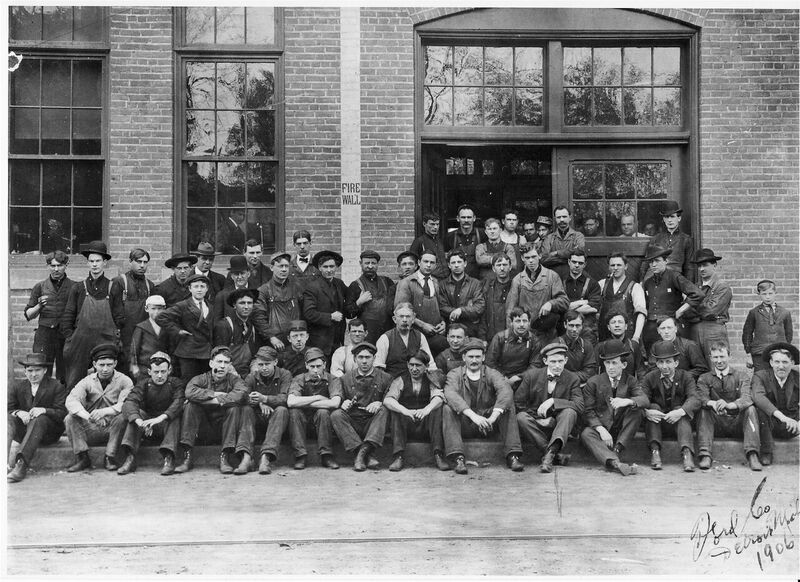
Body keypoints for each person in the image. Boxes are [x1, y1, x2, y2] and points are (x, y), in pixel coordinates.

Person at [442, 338, 525, 474]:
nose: (474, 361)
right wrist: (474, 416)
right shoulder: (455, 374)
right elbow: (450, 394)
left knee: (508, 405)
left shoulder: (492, 373)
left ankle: (512, 456)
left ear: (484, 357)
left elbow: (506, 391)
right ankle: (458, 458)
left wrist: (492, 418)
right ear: (463, 357)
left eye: (477, 357)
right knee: (447, 408)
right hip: (466, 423)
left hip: (489, 423)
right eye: (470, 357)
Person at [174, 346, 254, 475]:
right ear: (211, 363)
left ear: (230, 366)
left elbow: (240, 394)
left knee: (234, 409)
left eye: (226, 363)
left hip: (225, 428)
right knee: (190, 406)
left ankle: (225, 457)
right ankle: (187, 457)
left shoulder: (235, 380)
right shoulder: (201, 379)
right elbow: (189, 392)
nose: (222, 366)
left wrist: (210, 400)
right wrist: (215, 394)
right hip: (203, 428)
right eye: (219, 362)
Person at [61, 241, 125, 390]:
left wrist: (114, 335)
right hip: (80, 342)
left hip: (105, 340)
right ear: (88, 263)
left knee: (106, 380)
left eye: (98, 261)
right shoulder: (78, 288)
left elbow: (119, 317)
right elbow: (68, 316)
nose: (94, 264)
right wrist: (71, 337)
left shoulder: (113, 287)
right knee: (75, 381)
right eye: (91, 261)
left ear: (105, 263)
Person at [63, 343, 134, 473]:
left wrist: (104, 412)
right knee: (70, 418)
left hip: (114, 430)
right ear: (95, 364)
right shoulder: (87, 381)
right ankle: (83, 458)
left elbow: (126, 404)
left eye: (109, 364)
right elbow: (71, 400)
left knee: (123, 417)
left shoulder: (125, 381)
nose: (105, 369)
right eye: (101, 365)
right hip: (91, 428)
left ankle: (110, 457)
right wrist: (88, 417)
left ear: (115, 363)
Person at [579, 339, 645, 476]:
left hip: (621, 429)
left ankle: (617, 451)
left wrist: (627, 401)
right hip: (602, 428)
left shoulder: (630, 380)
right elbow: (588, 411)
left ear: (624, 364)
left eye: (614, 363)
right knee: (586, 433)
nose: (610, 367)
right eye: (607, 363)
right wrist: (601, 430)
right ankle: (616, 463)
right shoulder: (594, 382)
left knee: (637, 410)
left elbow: (644, 399)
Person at [113, 352, 184, 476]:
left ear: (170, 370)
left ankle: (169, 457)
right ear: (149, 371)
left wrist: (161, 418)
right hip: (147, 427)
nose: (160, 375)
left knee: (175, 416)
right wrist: (139, 421)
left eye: (163, 371)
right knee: (136, 414)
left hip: (166, 425)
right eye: (156, 372)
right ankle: (130, 457)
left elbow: (178, 402)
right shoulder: (143, 384)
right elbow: (130, 402)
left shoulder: (175, 383)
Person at [515, 343, 583, 472]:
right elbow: (518, 403)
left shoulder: (572, 378)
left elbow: (579, 405)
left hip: (560, 427)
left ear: (566, 361)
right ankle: (552, 454)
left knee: (570, 412)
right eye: (553, 361)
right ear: (545, 361)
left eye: (560, 361)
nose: (557, 365)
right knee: (520, 417)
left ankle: (549, 455)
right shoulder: (531, 376)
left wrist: (553, 401)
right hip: (536, 427)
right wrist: (539, 419)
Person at [695, 343, 760, 471]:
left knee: (751, 409)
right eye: (715, 357)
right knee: (704, 410)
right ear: (711, 358)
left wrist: (731, 404)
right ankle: (705, 454)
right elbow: (701, 397)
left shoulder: (741, 376)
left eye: (722, 356)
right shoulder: (704, 378)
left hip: (737, 423)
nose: (719, 361)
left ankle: (752, 454)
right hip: (716, 423)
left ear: (729, 356)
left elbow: (747, 397)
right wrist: (713, 403)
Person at [640, 340, 702, 472]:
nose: (664, 366)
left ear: (676, 363)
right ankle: (655, 451)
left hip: (678, 423)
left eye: (668, 362)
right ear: (656, 363)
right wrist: (646, 412)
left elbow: (695, 398)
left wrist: (680, 411)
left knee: (682, 410)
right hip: (658, 423)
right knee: (654, 407)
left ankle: (687, 453)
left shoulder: (686, 377)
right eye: (661, 362)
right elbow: (642, 398)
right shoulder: (649, 378)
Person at [383, 350, 449, 471]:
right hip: (406, 425)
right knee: (396, 412)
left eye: (418, 365)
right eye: (411, 365)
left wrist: (426, 410)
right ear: (407, 365)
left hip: (425, 424)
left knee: (437, 410)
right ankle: (399, 456)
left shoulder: (431, 379)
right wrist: (405, 411)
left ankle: (438, 454)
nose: (414, 369)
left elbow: (439, 398)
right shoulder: (401, 380)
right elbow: (388, 400)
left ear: (426, 366)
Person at [331, 342, 393, 471]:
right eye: (360, 357)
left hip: (373, 424)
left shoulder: (386, 378)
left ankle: (360, 455)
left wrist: (380, 402)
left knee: (385, 410)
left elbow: (390, 398)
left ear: (374, 358)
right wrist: (343, 403)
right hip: (353, 423)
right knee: (336, 415)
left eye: (368, 357)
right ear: (354, 359)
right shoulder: (345, 379)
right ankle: (365, 454)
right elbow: (338, 398)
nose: (364, 361)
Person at [7, 353, 67, 483]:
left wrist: (44, 410)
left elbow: (62, 413)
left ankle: (21, 464)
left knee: (39, 419)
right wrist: (18, 412)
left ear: (45, 370)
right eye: (30, 370)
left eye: (37, 370)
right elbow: (8, 409)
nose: (33, 374)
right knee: (7, 419)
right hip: (25, 432)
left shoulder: (56, 386)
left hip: (49, 433)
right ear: (25, 371)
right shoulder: (18, 386)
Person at [640, 245, 704, 353]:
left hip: (669, 328)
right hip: (651, 329)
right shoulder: (648, 282)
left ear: (666, 261)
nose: (653, 264)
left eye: (657, 261)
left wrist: (681, 310)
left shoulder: (674, 276)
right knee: (653, 359)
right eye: (651, 262)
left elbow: (697, 294)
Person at [286, 348, 342, 470]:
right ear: (306, 365)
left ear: (325, 365)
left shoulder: (333, 379)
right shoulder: (299, 379)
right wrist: (317, 397)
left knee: (323, 412)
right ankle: (300, 455)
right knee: (294, 412)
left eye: (318, 366)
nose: (315, 370)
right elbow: (291, 402)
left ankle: (326, 455)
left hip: (323, 423)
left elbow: (335, 403)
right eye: (312, 366)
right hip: (302, 423)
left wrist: (303, 402)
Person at [24, 250, 75, 382]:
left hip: (66, 335)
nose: (56, 269)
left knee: (65, 373)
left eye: (60, 265)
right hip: (45, 336)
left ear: (66, 265)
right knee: (41, 371)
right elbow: (29, 315)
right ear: (48, 266)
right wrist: (39, 306)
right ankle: (43, 401)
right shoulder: (39, 287)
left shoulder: (75, 287)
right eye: (53, 266)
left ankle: (63, 401)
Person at [244, 347, 293, 475]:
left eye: (267, 364)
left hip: (277, 420)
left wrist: (265, 398)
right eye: (260, 364)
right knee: (246, 409)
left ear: (275, 362)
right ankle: (246, 457)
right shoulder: (251, 377)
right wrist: (260, 403)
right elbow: (244, 396)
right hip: (258, 418)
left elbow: (285, 398)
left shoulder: (285, 374)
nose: (264, 368)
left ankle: (266, 457)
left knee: (282, 410)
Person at [156, 273, 215, 382]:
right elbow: (161, 318)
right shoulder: (183, 305)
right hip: (189, 352)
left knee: (205, 382)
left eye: (202, 286)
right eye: (196, 286)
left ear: (207, 289)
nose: (199, 290)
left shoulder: (210, 306)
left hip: (206, 352)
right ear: (190, 288)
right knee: (188, 382)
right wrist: (178, 331)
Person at [750, 342, 799, 467]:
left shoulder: (798, 378)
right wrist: (783, 417)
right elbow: (759, 397)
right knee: (758, 409)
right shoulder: (760, 376)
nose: (781, 366)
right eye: (777, 362)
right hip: (768, 425)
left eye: (785, 362)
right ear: (771, 363)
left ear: (792, 363)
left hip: (792, 426)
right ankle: (767, 451)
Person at [506, 244, 568, 343]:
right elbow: (510, 310)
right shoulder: (518, 280)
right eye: (527, 257)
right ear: (522, 258)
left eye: (533, 257)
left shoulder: (552, 276)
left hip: (547, 333)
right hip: (525, 334)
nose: (531, 261)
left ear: (539, 256)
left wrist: (550, 304)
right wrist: (512, 336)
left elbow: (564, 302)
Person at [394, 250, 448, 355]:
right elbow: (400, 310)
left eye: (432, 263)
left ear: (436, 265)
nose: (428, 265)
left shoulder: (436, 282)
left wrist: (443, 323)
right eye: (425, 261)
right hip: (414, 334)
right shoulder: (407, 282)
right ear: (419, 263)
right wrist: (423, 325)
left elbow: (440, 307)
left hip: (434, 334)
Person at [111, 248, 154, 377]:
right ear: (130, 262)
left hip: (143, 333)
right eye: (138, 261)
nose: (142, 265)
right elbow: (113, 311)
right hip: (125, 334)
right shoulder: (119, 282)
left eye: (145, 262)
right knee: (124, 366)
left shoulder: (149, 286)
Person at [686, 248, 732, 363]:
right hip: (695, 330)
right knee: (698, 366)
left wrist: (693, 305)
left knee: (716, 365)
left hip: (714, 330)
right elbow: (687, 313)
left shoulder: (722, 287)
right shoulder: (695, 287)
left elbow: (711, 311)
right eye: (699, 266)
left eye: (705, 265)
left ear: (714, 265)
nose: (701, 269)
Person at [253, 251, 304, 350]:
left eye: (286, 266)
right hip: (274, 342)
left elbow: (303, 311)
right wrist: (271, 337)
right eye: (280, 266)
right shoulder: (264, 290)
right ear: (272, 268)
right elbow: (259, 317)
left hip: (294, 340)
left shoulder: (296, 288)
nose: (284, 270)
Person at [302, 249, 347, 360]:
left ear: (336, 267)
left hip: (337, 339)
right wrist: (330, 317)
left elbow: (348, 302)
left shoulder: (339, 284)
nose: (329, 270)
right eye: (325, 267)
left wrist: (359, 301)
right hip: (320, 340)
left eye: (332, 266)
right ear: (320, 268)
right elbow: (309, 313)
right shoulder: (313, 287)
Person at [742, 280, 794, 372]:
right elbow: (747, 334)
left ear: (775, 293)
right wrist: (748, 354)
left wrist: (785, 350)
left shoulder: (785, 313)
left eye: (770, 293)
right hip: (760, 354)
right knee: (761, 379)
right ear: (759, 294)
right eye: (764, 294)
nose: (767, 297)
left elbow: (788, 334)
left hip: (779, 353)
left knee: (778, 380)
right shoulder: (754, 313)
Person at [345, 250, 396, 343]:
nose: (370, 266)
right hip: (368, 333)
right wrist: (359, 302)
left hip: (388, 330)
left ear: (377, 264)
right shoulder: (355, 285)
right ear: (361, 264)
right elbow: (348, 313)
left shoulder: (387, 281)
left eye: (373, 263)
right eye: (367, 263)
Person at [375, 303, 437, 379]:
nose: (404, 320)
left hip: (415, 382)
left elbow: (430, 365)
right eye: (401, 316)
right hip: (393, 383)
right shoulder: (385, 338)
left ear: (413, 319)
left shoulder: (419, 336)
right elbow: (378, 368)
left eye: (408, 317)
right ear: (394, 319)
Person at [640, 200, 696, 282]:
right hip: (654, 277)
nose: (669, 220)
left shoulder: (686, 240)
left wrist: (687, 287)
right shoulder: (656, 238)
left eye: (672, 216)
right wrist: (641, 281)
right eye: (667, 217)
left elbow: (689, 267)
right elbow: (646, 263)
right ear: (663, 219)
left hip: (674, 279)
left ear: (679, 218)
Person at [485, 307, 540, 390]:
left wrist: (519, 377)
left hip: (524, 380)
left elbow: (535, 365)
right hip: (501, 378)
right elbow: (490, 362)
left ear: (529, 322)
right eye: (518, 321)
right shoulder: (500, 338)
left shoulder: (534, 341)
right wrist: (504, 378)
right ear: (511, 323)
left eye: (524, 321)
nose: (521, 324)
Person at [597, 253, 646, 343]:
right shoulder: (602, 284)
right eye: (612, 265)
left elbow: (641, 314)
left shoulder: (635, 287)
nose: (615, 268)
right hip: (605, 335)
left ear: (626, 266)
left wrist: (636, 337)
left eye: (619, 265)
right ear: (609, 267)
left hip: (627, 336)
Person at [438, 250, 486, 338]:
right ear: (449, 265)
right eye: (453, 262)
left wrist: (461, 311)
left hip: (471, 329)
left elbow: (479, 306)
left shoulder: (475, 283)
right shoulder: (442, 285)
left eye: (459, 262)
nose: (456, 265)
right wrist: (456, 312)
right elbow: (441, 307)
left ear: (465, 263)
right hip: (451, 330)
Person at [213, 288, 260, 378]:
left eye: (249, 303)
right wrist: (235, 376)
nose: (246, 307)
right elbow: (219, 356)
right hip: (228, 374)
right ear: (234, 305)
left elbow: (254, 355)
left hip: (247, 373)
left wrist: (254, 372)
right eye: (242, 303)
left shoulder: (251, 326)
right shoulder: (224, 325)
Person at [129, 295, 174, 381]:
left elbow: (171, 347)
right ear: (146, 309)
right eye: (153, 309)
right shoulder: (141, 327)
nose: (156, 312)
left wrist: (171, 363)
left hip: (162, 366)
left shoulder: (167, 327)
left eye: (159, 309)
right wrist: (134, 365)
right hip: (145, 367)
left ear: (164, 309)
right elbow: (134, 349)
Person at [561, 249, 601, 345]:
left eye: (580, 263)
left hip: (586, 328)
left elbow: (594, 308)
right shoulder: (560, 282)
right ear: (569, 262)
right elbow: (558, 305)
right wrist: (583, 302)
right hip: (565, 327)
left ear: (585, 264)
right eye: (574, 262)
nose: (577, 265)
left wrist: (568, 307)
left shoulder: (593, 284)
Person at [540, 206, 585, 278]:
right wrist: (567, 257)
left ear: (570, 218)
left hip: (573, 276)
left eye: (564, 216)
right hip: (553, 276)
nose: (561, 220)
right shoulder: (549, 238)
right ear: (555, 219)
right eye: (558, 217)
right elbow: (544, 259)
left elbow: (579, 251)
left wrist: (556, 253)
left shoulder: (578, 236)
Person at [478, 252, 514, 342]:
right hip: (492, 336)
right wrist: (482, 338)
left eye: (505, 265)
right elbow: (483, 316)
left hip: (511, 336)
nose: (502, 268)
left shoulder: (516, 286)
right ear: (493, 268)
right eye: (499, 265)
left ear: (510, 267)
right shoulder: (487, 287)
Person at [555, 311, 598, 385]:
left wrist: (569, 376)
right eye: (571, 325)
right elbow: (554, 370)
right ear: (565, 325)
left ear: (582, 326)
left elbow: (589, 372)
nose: (574, 329)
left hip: (581, 385)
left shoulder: (586, 345)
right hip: (560, 384)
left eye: (577, 326)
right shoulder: (556, 344)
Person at [598, 311, 644, 379]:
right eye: (613, 322)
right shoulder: (601, 347)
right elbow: (595, 372)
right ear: (608, 327)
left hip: (629, 386)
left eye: (620, 322)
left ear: (626, 326)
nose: (617, 325)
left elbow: (641, 371)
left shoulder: (633, 346)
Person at [444, 204, 484, 279]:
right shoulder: (450, 236)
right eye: (463, 217)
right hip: (457, 280)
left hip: (478, 281)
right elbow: (446, 261)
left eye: (469, 217)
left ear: (474, 218)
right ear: (458, 218)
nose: (466, 220)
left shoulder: (482, 234)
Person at [409, 212, 448, 279]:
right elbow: (412, 263)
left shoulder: (440, 241)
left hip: (445, 280)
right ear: (424, 224)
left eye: (437, 224)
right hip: (430, 280)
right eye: (432, 224)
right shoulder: (419, 241)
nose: (435, 227)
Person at [214, 256, 252, 323]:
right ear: (232, 276)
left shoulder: (258, 293)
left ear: (248, 273)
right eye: (236, 274)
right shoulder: (222, 296)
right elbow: (217, 323)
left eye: (242, 273)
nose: (240, 277)